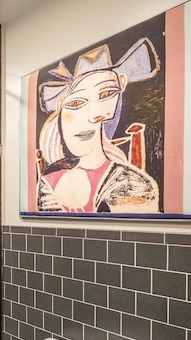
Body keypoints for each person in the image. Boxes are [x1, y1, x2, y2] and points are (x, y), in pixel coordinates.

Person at [36, 38, 161, 213]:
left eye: (105, 95)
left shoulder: (132, 184)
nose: (92, 116)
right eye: (75, 103)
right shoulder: (50, 177)